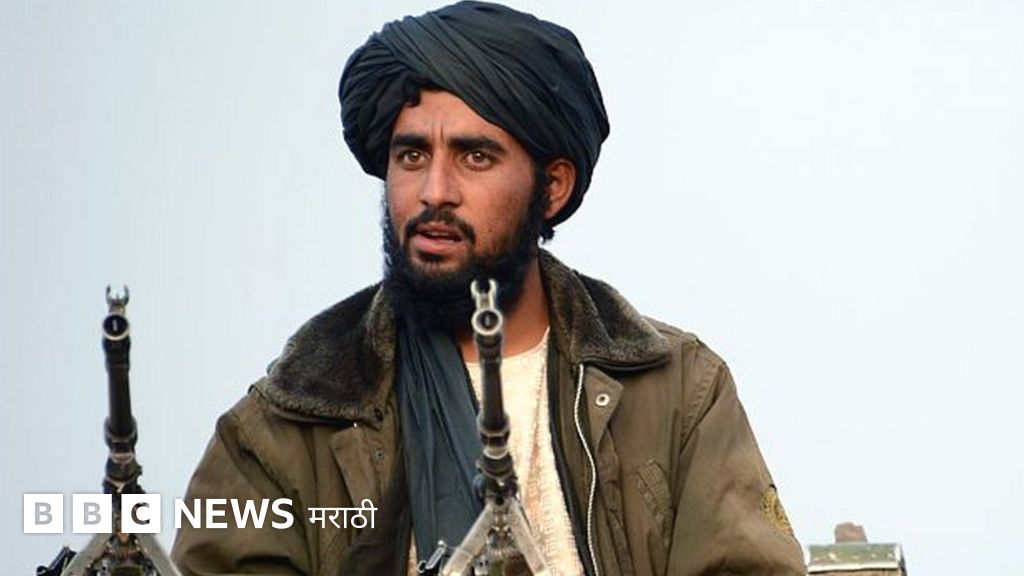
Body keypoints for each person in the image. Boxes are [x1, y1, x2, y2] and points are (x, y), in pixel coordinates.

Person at [171, 2, 805, 575]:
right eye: (412, 156)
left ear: (552, 187)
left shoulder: (677, 394)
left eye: (475, 157)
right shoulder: (287, 424)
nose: (434, 192)